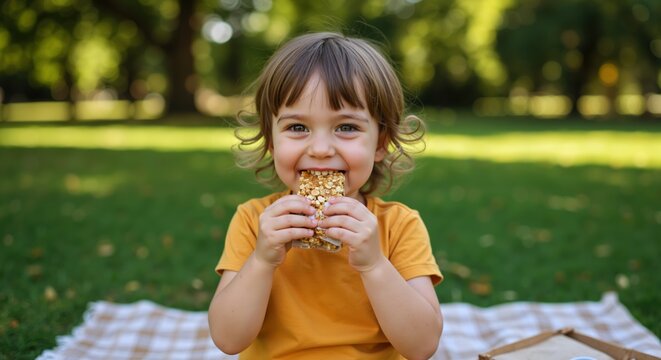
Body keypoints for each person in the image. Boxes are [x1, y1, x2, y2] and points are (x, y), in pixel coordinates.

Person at [208, 32, 443, 360]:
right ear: (272, 140)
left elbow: (422, 347)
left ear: (379, 143)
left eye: (346, 127)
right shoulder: (254, 222)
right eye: (297, 128)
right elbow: (228, 339)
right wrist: (262, 260)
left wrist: (375, 264)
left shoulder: (399, 226)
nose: (320, 150)